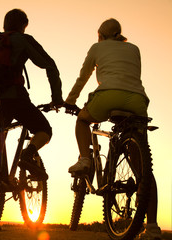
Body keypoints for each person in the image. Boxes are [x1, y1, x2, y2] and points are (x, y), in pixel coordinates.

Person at [64, 18, 161, 240]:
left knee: (81, 121)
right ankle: (153, 227)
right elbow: (130, 76)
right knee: (144, 170)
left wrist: (70, 100)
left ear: (100, 35)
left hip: (108, 96)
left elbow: (84, 76)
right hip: (137, 100)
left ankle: (85, 159)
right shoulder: (134, 48)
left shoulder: (97, 47)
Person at [0, 9, 64, 181]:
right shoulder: (22, 40)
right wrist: (56, 99)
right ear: (24, 25)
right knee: (44, 129)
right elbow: (50, 66)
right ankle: (27, 155)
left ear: (4, 25)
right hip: (13, 98)